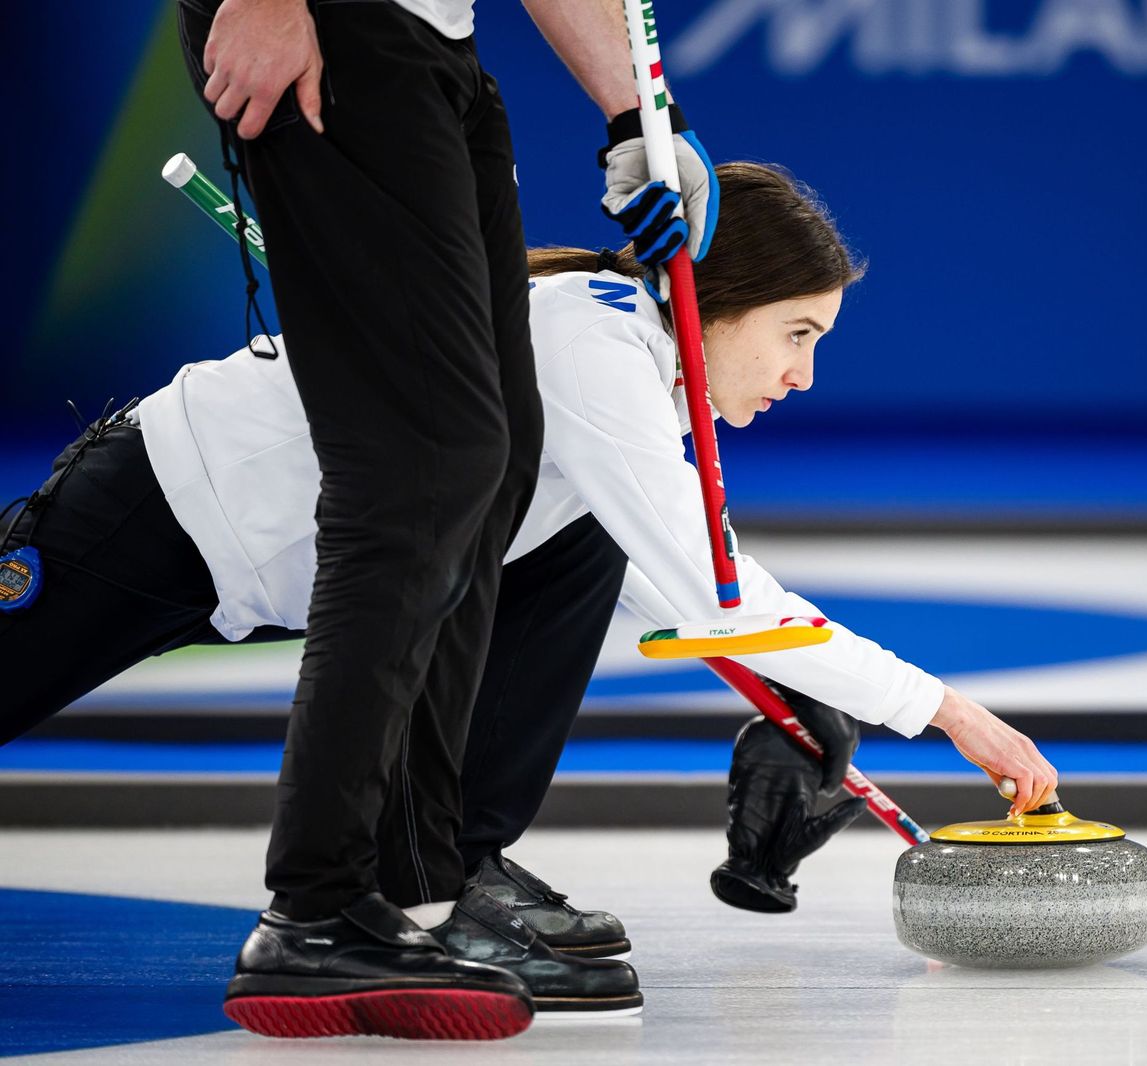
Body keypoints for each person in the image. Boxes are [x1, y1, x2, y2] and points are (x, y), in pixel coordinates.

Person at [0, 161, 1059, 1019]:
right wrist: (952, 714)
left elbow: (676, 576)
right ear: (707, 301)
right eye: (798, 335)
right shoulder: (593, 338)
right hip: (164, 512)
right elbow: (719, 595)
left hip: (275, 560)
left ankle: (454, 869)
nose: (803, 376)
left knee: (587, 541)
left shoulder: (615, 356)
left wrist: (792, 701)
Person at [164, 0, 719, 1039]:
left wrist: (637, 115)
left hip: (438, 45)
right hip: (336, 26)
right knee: (423, 466)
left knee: (494, 457)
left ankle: (422, 879)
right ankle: (318, 905)